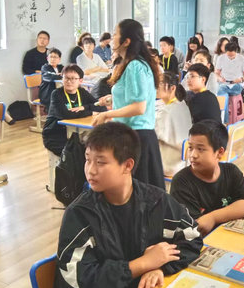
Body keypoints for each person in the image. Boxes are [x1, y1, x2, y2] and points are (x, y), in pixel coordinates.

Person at [54, 122, 203, 288]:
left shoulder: (155, 201)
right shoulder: (81, 214)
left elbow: (191, 238)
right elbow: (82, 281)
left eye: (100, 162)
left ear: (127, 165)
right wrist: (142, 264)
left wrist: (159, 268)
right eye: (87, 159)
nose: (90, 170)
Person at [92, 19, 165, 190]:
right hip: (135, 135)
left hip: (138, 136)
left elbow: (139, 107)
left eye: (115, 34)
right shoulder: (133, 63)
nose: (112, 38)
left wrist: (106, 114)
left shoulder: (135, 66)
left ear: (126, 41)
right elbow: (135, 98)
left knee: (139, 192)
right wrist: (112, 99)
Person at [170, 120, 244, 235]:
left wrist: (213, 217)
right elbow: (196, 228)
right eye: (190, 147)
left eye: (200, 149)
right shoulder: (181, 182)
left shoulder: (231, 171)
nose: (193, 155)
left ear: (219, 152)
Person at [42, 65, 99, 156]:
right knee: (77, 154)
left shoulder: (82, 92)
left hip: (77, 133)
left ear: (80, 80)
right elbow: (67, 115)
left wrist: (84, 107)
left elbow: (100, 106)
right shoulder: (56, 94)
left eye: (73, 78)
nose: (69, 81)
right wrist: (91, 112)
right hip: (56, 134)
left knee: (94, 149)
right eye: (66, 78)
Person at [155, 72, 192, 176]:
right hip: (184, 162)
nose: (156, 86)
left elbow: (154, 135)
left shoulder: (166, 111)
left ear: (172, 88)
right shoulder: (182, 105)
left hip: (169, 164)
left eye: (160, 83)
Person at [215, 42, 244, 122]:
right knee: (223, 93)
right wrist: (220, 78)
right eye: (228, 56)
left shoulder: (243, 59)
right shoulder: (221, 58)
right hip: (224, 83)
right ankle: (224, 120)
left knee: (221, 93)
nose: (230, 57)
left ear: (236, 51)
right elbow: (216, 73)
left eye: (232, 56)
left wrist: (240, 80)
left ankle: (223, 120)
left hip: (237, 84)